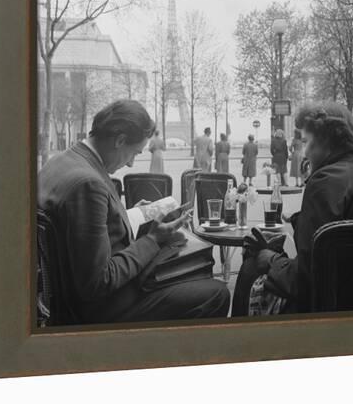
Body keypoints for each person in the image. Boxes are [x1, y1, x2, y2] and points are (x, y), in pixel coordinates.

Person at [38, 100, 230, 324]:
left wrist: (128, 214)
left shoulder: (62, 161)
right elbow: (98, 282)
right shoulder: (88, 184)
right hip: (101, 308)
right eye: (134, 153)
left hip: (67, 296)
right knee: (215, 292)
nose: (130, 164)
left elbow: (82, 232)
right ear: (119, 140)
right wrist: (153, 239)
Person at [235, 101, 353, 314]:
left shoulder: (323, 182)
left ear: (327, 142)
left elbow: (306, 280)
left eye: (307, 142)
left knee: (251, 266)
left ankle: (243, 340)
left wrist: (270, 259)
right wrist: (300, 221)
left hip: (319, 305)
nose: (305, 152)